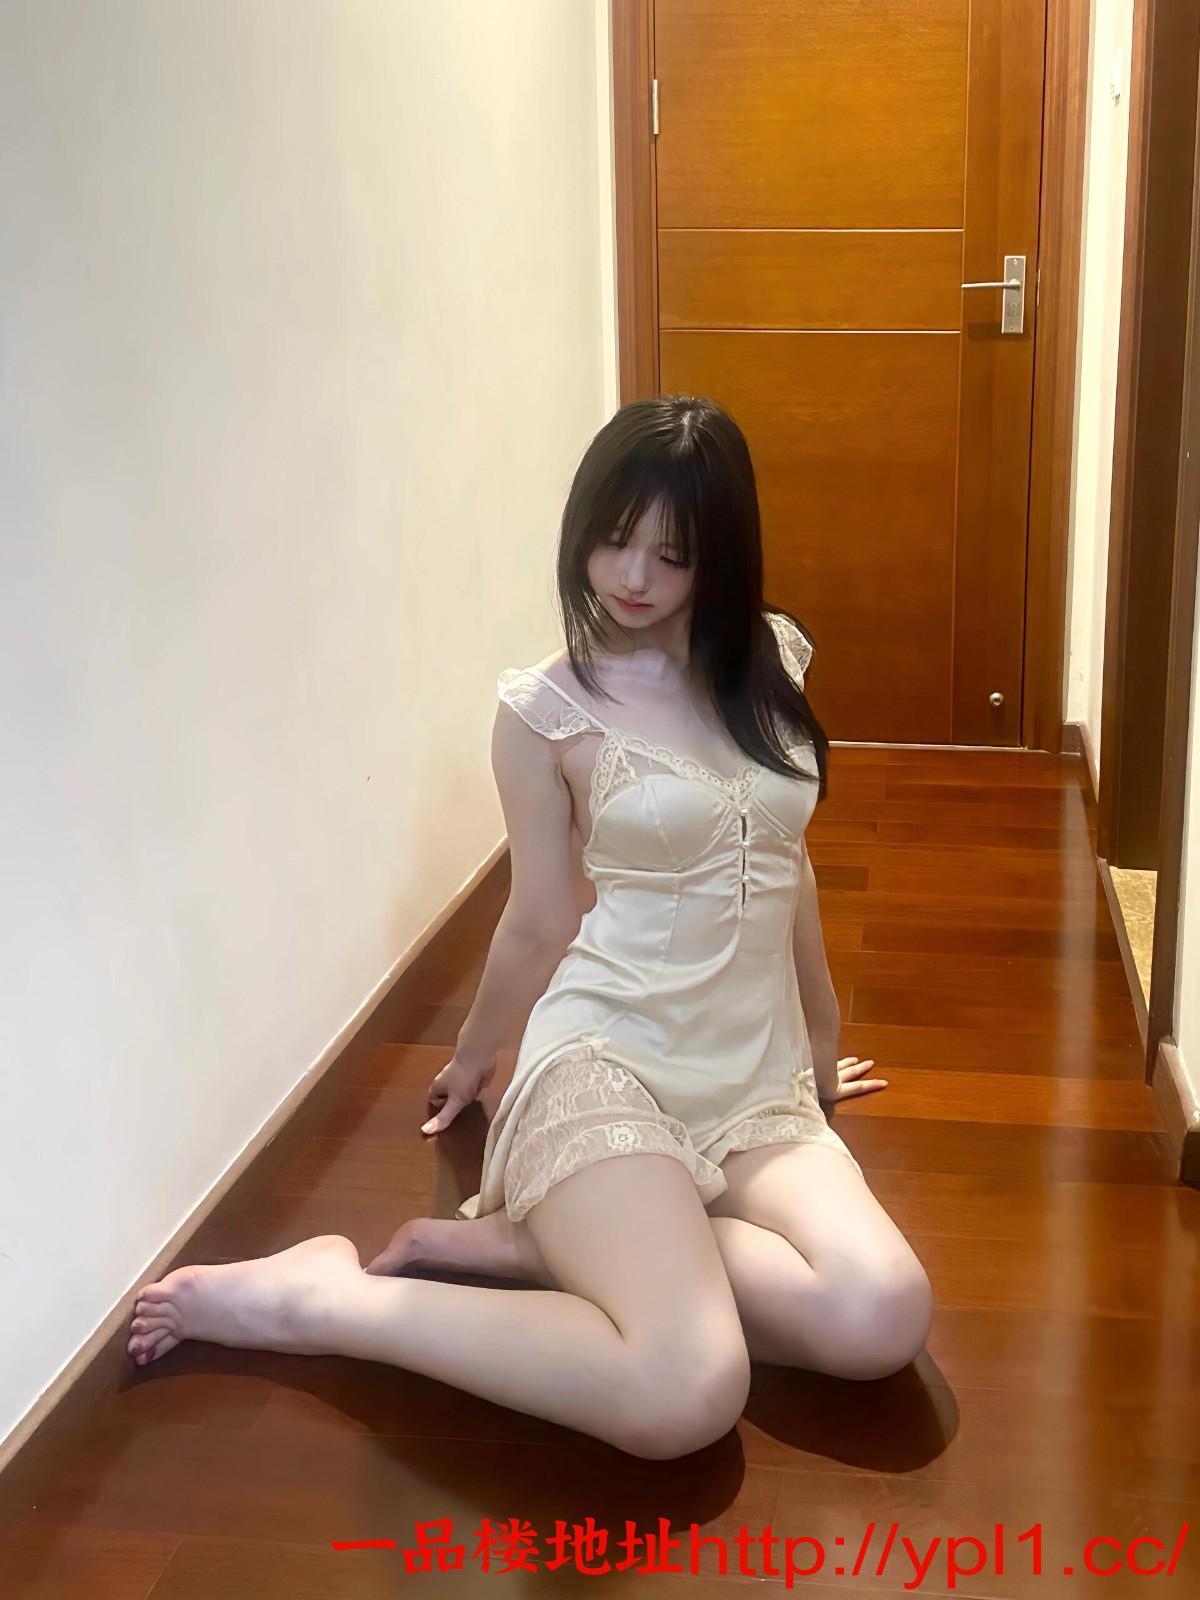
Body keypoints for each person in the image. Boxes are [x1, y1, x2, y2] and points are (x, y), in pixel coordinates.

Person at [126, 396, 933, 1461]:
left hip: (752, 1085)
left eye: (672, 555)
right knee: (688, 1386)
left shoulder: (771, 661)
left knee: (881, 1315)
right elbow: (540, 914)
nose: (632, 577)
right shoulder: (545, 711)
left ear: (723, 556)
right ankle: (329, 1301)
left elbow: (787, 862)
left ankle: (555, 1249)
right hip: (610, 1065)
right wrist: (474, 1059)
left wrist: (820, 1047)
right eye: (612, 539)